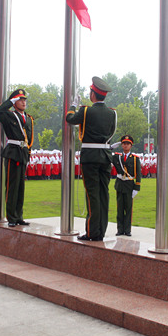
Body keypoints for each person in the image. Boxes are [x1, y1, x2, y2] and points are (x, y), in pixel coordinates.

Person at [65, 76, 117, 241]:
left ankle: (92, 231)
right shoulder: (112, 113)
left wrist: (73, 106)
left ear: (93, 94)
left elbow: (70, 119)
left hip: (90, 157)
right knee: (104, 194)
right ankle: (101, 230)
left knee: (92, 195)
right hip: (105, 157)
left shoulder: (86, 111)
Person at [0, 88, 34, 227]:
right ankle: (11, 217)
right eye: (20, 100)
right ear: (15, 102)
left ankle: (19, 216)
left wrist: (28, 153)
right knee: (12, 186)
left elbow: (30, 137)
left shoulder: (28, 119)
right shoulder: (9, 115)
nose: (23, 102)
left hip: (23, 152)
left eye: (24, 100)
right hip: (12, 152)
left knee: (21, 186)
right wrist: (10, 102)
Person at [112, 135, 142, 237]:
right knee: (119, 208)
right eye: (124, 143)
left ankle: (127, 230)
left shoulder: (134, 159)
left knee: (128, 208)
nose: (125, 145)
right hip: (120, 184)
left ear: (131, 145)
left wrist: (137, 187)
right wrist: (111, 148)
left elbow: (138, 173)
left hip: (129, 185)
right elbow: (107, 156)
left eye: (127, 144)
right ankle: (120, 229)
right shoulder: (117, 157)